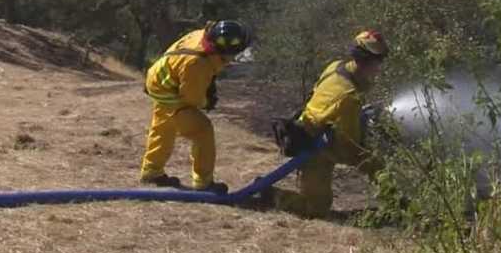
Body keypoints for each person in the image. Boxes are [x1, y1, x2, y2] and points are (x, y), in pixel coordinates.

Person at [269, 30, 389, 219]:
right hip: (314, 146)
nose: (380, 67)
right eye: (378, 61)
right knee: (316, 209)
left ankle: (397, 202)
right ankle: (270, 195)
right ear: (367, 61)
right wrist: (364, 155)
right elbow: (351, 144)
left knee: (373, 164)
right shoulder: (349, 96)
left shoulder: (336, 66)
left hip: (314, 131)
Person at [140, 20, 252, 194]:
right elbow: (192, 99)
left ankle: (151, 172)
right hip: (170, 91)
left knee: (164, 127)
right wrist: (207, 102)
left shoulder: (202, 36)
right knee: (202, 129)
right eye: (234, 53)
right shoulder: (198, 64)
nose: (234, 58)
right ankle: (203, 182)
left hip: (159, 79)